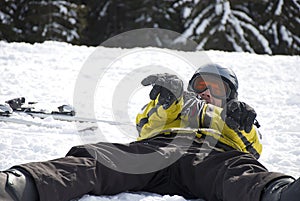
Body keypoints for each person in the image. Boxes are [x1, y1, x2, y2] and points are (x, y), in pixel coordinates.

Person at [0, 64, 299, 201]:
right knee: (102, 158)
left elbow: (251, 150)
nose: (206, 93)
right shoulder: (177, 106)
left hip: (212, 158)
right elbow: (145, 127)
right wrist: (167, 103)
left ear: (230, 95)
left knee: (237, 171)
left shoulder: (235, 115)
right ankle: (20, 185)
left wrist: (239, 124)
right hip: (158, 150)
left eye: (216, 89)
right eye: (200, 86)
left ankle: (281, 194)